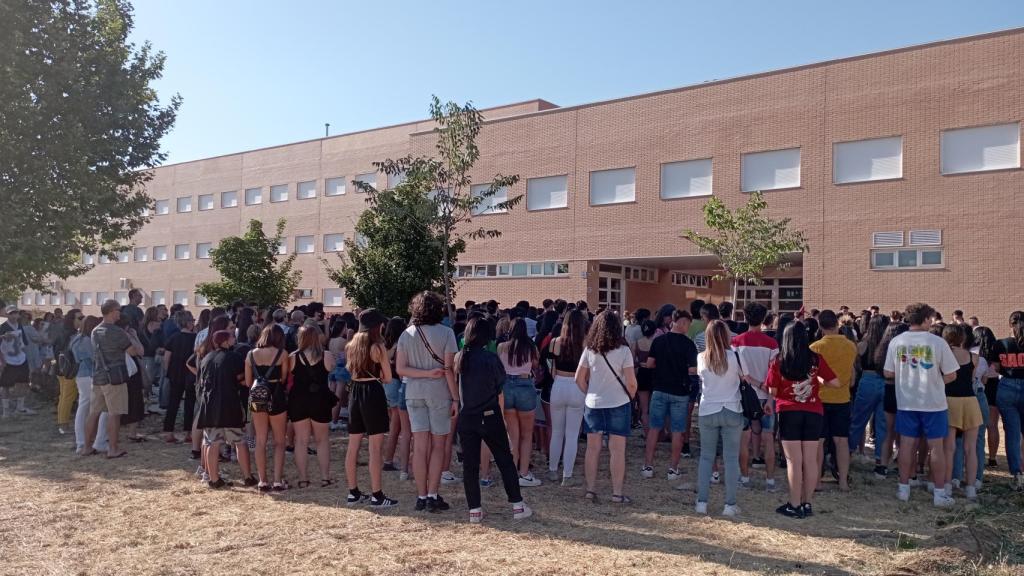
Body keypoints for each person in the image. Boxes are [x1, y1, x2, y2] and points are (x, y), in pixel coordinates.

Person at [456, 316, 533, 522]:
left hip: (467, 416)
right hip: (489, 414)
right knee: (504, 459)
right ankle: (517, 504)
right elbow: (499, 387)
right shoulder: (490, 359)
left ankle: (474, 510)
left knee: (470, 465)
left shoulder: (460, 357)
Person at [884, 303, 962, 506]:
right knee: (936, 447)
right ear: (926, 319)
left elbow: (888, 373)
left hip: (906, 401)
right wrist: (933, 382)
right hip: (934, 403)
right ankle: (939, 492)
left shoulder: (897, 341)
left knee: (906, 445)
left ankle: (903, 488)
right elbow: (952, 374)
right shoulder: (937, 342)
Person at [767, 321, 840, 518]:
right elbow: (836, 382)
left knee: (793, 461)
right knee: (810, 461)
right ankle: (807, 503)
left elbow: (772, 391)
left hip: (789, 412)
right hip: (814, 411)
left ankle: (794, 503)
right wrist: (819, 380)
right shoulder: (815, 359)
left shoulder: (779, 360)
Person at [396, 292, 459, 513]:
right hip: (439, 392)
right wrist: (456, 397)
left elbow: (400, 369)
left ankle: (421, 496)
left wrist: (422, 374)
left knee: (419, 446)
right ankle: (433, 494)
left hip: (413, 392)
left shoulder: (406, 334)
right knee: (439, 446)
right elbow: (449, 369)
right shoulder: (447, 333)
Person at [576, 310, 637, 504]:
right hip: (618, 402)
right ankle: (617, 493)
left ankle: (590, 490)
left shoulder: (589, 350)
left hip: (594, 403)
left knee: (592, 449)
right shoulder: (624, 351)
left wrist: (590, 393)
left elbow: (579, 379)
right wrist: (630, 396)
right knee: (617, 451)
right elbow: (631, 382)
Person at [344, 309, 398, 507]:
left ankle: (353, 492)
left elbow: (350, 370)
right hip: (372, 392)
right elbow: (388, 377)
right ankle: (377, 495)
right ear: (377, 326)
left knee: (353, 446)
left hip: (355, 392)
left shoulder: (350, 345)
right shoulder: (378, 347)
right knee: (375, 448)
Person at [695, 320, 745, 516]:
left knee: (706, 457)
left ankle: (702, 502)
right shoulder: (735, 356)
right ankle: (729, 505)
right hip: (732, 408)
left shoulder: (701, 357)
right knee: (731, 459)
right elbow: (743, 378)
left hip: (708, 410)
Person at [83, 299, 144, 459]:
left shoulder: (95, 330)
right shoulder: (116, 331)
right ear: (111, 311)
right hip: (115, 377)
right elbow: (132, 352)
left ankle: (87, 447)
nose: (120, 313)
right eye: (118, 310)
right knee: (114, 413)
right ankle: (113, 449)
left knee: (94, 412)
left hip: (98, 376)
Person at [641, 309, 696, 482]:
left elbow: (649, 364)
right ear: (682, 322)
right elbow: (692, 370)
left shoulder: (658, 341)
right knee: (678, 431)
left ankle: (648, 465)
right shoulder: (688, 344)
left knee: (654, 428)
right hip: (680, 391)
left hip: (659, 389)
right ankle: (673, 468)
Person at [196, 330, 255, 488]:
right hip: (230, 405)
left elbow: (201, 382)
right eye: (231, 337)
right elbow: (244, 379)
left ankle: (213, 479)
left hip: (209, 406)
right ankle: (248, 477)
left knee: (212, 442)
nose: (234, 339)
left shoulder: (206, 358)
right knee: (240, 441)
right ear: (226, 341)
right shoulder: (234, 357)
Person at [731, 302, 779, 491]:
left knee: (744, 437)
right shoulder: (772, 343)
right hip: (766, 394)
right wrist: (769, 395)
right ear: (764, 319)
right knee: (768, 438)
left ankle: (744, 478)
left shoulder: (736, 342)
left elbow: (737, 371)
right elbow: (775, 372)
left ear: (745, 317)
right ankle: (770, 480)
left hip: (743, 395)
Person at [809, 310, 858, 492]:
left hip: (819, 399)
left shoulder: (815, 347)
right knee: (841, 441)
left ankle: (817, 481)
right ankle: (843, 481)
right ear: (837, 324)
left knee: (819, 442)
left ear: (820, 327)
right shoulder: (851, 347)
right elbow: (851, 374)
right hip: (842, 398)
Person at [288, 325, 337, 489]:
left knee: (301, 441)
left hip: (298, 400)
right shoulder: (327, 355)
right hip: (320, 400)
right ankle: (325, 477)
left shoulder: (292, 357)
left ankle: (303, 479)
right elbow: (331, 369)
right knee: (322, 440)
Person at [245, 324, 291, 491]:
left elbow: (249, 382)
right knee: (279, 441)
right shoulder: (283, 354)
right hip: (276, 396)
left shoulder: (250, 354)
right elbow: (284, 377)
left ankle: (262, 480)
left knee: (260, 440)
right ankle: (277, 480)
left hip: (258, 398)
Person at [498, 317, 542, 487]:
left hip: (507, 386)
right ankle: (524, 473)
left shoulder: (502, 346)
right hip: (525, 385)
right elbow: (536, 366)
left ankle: (511, 473)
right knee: (526, 435)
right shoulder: (531, 347)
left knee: (513, 435)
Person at [941, 324, 982, 500]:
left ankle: (948, 485)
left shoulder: (944, 355)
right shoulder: (974, 357)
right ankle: (971, 487)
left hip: (950, 401)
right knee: (970, 448)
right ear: (962, 338)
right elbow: (972, 378)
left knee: (949, 448)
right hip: (971, 401)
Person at [547, 309, 587, 485]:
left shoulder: (555, 342)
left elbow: (551, 368)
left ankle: (553, 470)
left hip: (559, 384)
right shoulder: (586, 344)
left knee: (556, 431)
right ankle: (567, 475)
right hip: (577, 386)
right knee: (572, 435)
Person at [849, 314, 892, 477]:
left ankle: (848, 453)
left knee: (858, 420)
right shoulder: (889, 345)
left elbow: (856, 361)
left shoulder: (864, 344)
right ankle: (880, 463)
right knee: (882, 424)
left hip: (867, 379)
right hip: (886, 382)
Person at [986, 313, 1024, 491]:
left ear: (1009, 324)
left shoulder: (1001, 343)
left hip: (1006, 387)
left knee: (1012, 433)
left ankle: (1017, 475)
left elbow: (995, 368)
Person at [72, 316, 107, 454]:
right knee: (99, 407)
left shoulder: (76, 339)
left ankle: (81, 441)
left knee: (83, 407)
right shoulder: (87, 341)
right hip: (89, 375)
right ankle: (94, 441)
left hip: (81, 375)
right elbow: (95, 358)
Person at [162, 311, 197, 445]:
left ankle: (168, 431)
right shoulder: (195, 338)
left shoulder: (173, 337)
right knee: (190, 403)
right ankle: (188, 432)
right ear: (188, 323)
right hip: (191, 373)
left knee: (173, 403)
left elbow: (167, 357)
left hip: (175, 373)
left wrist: (167, 371)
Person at [382, 317, 410, 475]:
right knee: (398, 426)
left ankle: (389, 459)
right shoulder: (400, 345)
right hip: (397, 384)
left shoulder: (384, 345)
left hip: (387, 383)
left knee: (395, 425)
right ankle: (392, 459)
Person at [973, 326, 1001, 468]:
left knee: (976, 426)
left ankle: (976, 454)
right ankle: (992, 457)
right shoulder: (995, 352)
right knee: (993, 425)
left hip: (978, 388)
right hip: (994, 387)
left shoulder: (976, 357)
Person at [0, 305, 35, 417]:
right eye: (11, 313)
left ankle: (20, 407)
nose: (14, 315)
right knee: (6, 385)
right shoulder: (3, 327)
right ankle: (6, 411)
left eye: (16, 313)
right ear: (7, 314)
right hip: (8, 360)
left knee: (23, 383)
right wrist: (2, 361)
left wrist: (26, 357)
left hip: (21, 358)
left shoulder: (20, 326)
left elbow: (24, 343)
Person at [54, 309, 83, 434]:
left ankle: (62, 422)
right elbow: (67, 353)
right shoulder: (70, 334)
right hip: (68, 369)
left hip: (62, 369)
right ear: (72, 320)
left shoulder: (64, 332)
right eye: (80, 318)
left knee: (64, 396)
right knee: (67, 396)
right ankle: (63, 424)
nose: (82, 320)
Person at [630, 320, 656, 431]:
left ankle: (647, 434)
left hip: (641, 374)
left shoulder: (636, 343)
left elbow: (631, 362)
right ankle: (655, 434)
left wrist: (640, 363)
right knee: (653, 408)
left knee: (644, 409)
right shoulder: (657, 342)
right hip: (655, 375)